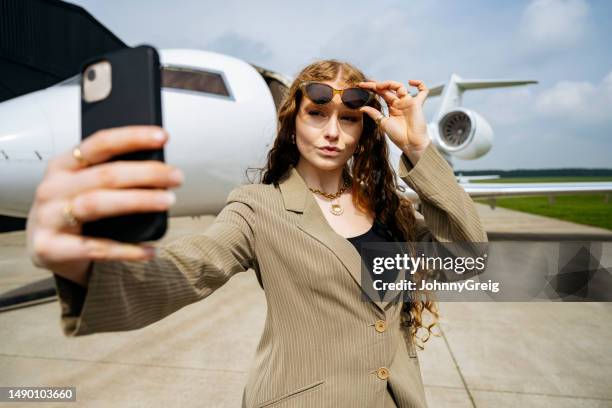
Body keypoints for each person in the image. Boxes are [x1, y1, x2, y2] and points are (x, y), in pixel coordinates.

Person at [26, 59, 487, 408]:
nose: (333, 132)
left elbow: (467, 262)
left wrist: (417, 148)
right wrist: (82, 264)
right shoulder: (257, 205)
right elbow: (194, 266)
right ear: (292, 123)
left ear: (364, 129)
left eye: (348, 119)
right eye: (317, 114)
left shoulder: (391, 210)